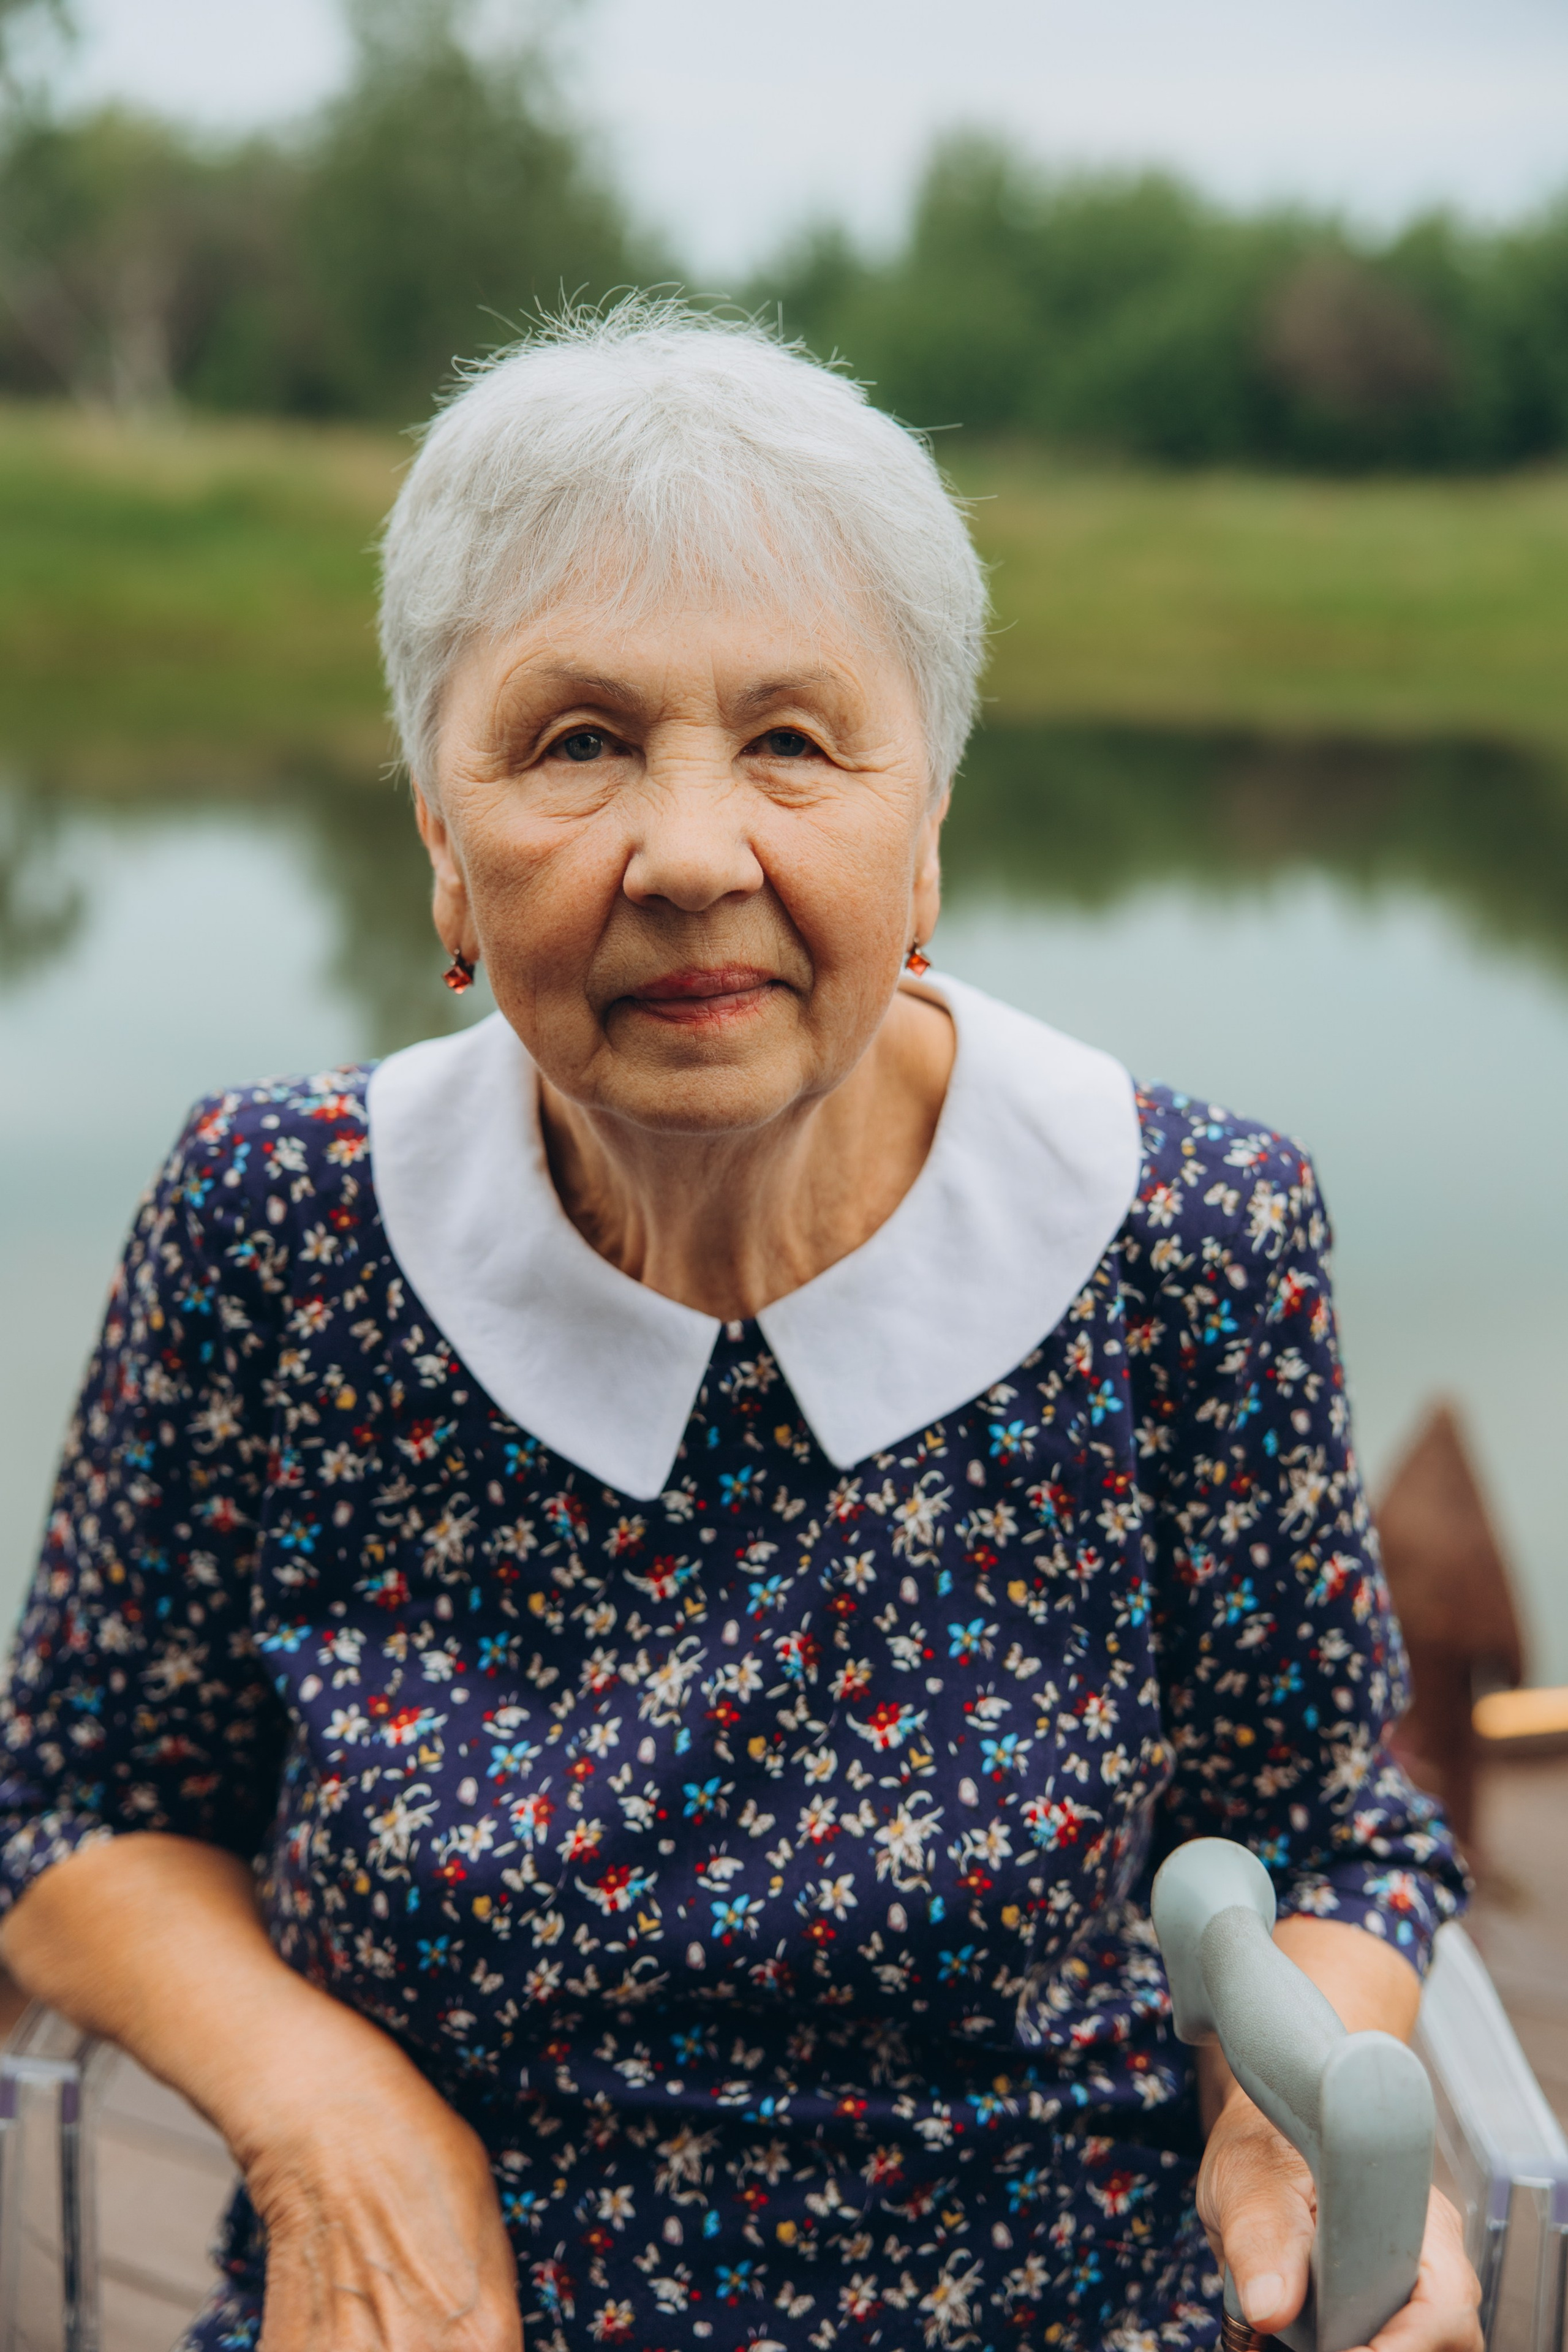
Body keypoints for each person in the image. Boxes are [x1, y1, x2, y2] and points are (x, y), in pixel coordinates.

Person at [0, 303, 1478, 2352]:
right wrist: (326, 2117)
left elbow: (1325, 1828)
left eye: (792, 741)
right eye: (575, 744)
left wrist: (1286, 2128)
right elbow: (80, 1811)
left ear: (928, 825)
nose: (693, 858)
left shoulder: (1187, 1237)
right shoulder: (279, 1221)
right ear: (440, 842)